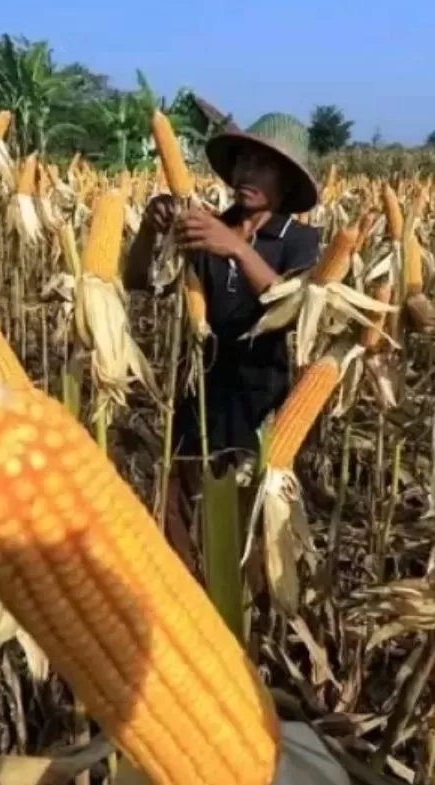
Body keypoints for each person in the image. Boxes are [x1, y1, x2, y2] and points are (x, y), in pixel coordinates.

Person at [123, 112, 322, 569]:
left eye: (263, 166)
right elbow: (137, 281)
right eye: (243, 163)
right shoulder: (206, 224)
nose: (247, 174)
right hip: (197, 396)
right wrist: (151, 230)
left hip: (263, 408)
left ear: (287, 182)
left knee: (246, 533)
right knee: (176, 514)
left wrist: (234, 247)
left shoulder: (300, 241)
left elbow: (291, 309)